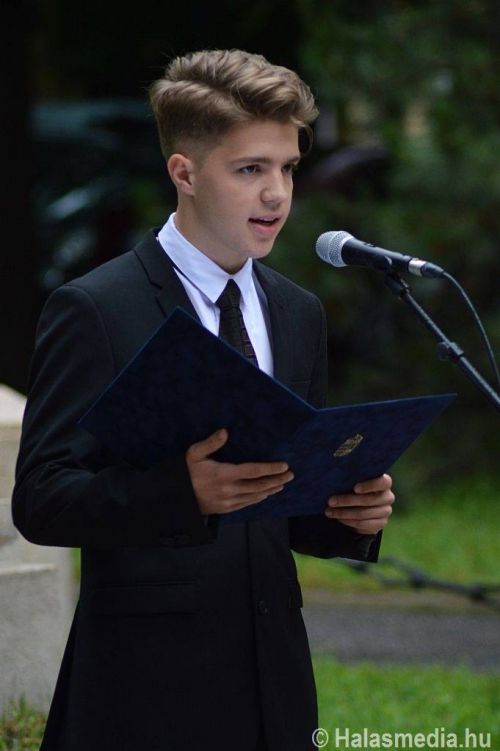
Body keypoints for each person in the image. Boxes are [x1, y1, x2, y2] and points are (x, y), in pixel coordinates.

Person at [13, 49, 395, 751]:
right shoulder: (97, 308)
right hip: (144, 688)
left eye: (287, 168)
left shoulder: (297, 312)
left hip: (274, 681)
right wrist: (181, 491)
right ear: (183, 173)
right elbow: (41, 497)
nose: (277, 194)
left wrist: (350, 514)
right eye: (250, 170)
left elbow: (284, 507)